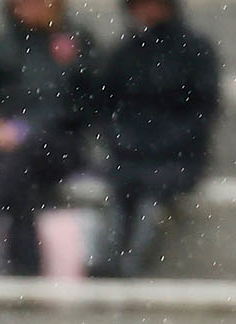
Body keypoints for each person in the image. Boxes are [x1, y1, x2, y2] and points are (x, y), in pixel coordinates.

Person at [0, 0, 97, 275]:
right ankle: (26, 266)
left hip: (60, 146)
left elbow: (86, 104)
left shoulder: (79, 43)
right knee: (18, 171)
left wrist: (30, 128)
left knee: (23, 153)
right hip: (9, 152)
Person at [90, 0, 221, 277]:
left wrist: (166, 139)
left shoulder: (195, 51)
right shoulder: (124, 53)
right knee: (121, 184)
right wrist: (125, 139)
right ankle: (110, 255)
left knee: (152, 188)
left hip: (179, 152)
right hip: (132, 149)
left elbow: (202, 110)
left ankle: (132, 260)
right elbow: (107, 106)